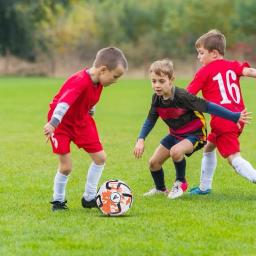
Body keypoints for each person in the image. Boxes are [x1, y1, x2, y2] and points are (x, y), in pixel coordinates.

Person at [133, 59, 251, 199]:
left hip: (195, 135)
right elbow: (150, 119)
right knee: (153, 163)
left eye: (161, 81)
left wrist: (233, 116)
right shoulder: (156, 99)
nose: (157, 85)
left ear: (171, 80)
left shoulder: (182, 96)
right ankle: (160, 189)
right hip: (175, 134)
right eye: (154, 81)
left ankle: (180, 182)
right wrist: (141, 139)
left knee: (175, 151)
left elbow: (208, 106)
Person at [43, 47, 128, 211]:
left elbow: (88, 99)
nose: (115, 80)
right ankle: (58, 201)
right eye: (115, 76)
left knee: (100, 158)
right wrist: (53, 124)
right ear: (103, 69)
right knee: (66, 167)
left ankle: (89, 197)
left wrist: (90, 109)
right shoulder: (79, 80)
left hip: (82, 122)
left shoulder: (99, 82)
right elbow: (64, 103)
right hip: (61, 124)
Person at [187, 29, 256, 195]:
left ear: (215, 53)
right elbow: (249, 71)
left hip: (223, 120)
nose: (199, 57)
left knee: (234, 159)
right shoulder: (233, 65)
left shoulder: (204, 72)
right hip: (239, 118)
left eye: (201, 53)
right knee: (209, 147)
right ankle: (204, 187)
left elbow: (188, 96)